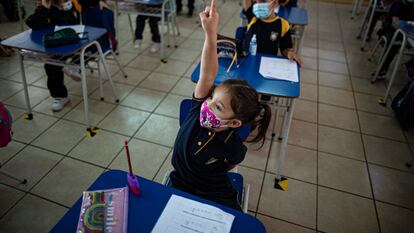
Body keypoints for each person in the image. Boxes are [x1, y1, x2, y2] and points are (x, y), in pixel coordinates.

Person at [169, 0, 272, 211]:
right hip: (180, 181)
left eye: (218, 107)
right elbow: (207, 74)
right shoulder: (197, 110)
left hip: (212, 192)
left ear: (234, 122)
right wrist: (210, 33)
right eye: (212, 98)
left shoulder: (231, 143)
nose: (208, 104)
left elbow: (232, 163)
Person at [25, 0, 79, 112]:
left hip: (71, 43)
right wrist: (44, 9)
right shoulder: (46, 8)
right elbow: (31, 23)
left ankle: (71, 65)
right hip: (54, 45)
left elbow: (71, 23)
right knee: (50, 64)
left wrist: (55, 13)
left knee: (51, 61)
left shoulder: (68, 6)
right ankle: (61, 96)